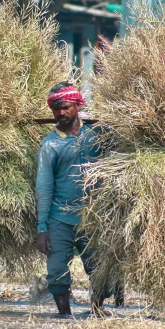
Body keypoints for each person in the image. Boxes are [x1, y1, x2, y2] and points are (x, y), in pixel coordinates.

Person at [35, 82, 121, 316]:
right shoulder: (50, 144)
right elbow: (44, 188)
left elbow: (122, 152)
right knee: (56, 272)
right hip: (59, 218)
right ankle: (64, 316)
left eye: (64, 107)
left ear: (77, 105)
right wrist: (42, 228)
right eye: (55, 109)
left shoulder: (98, 136)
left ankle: (97, 312)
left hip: (94, 217)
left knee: (100, 271)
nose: (60, 113)